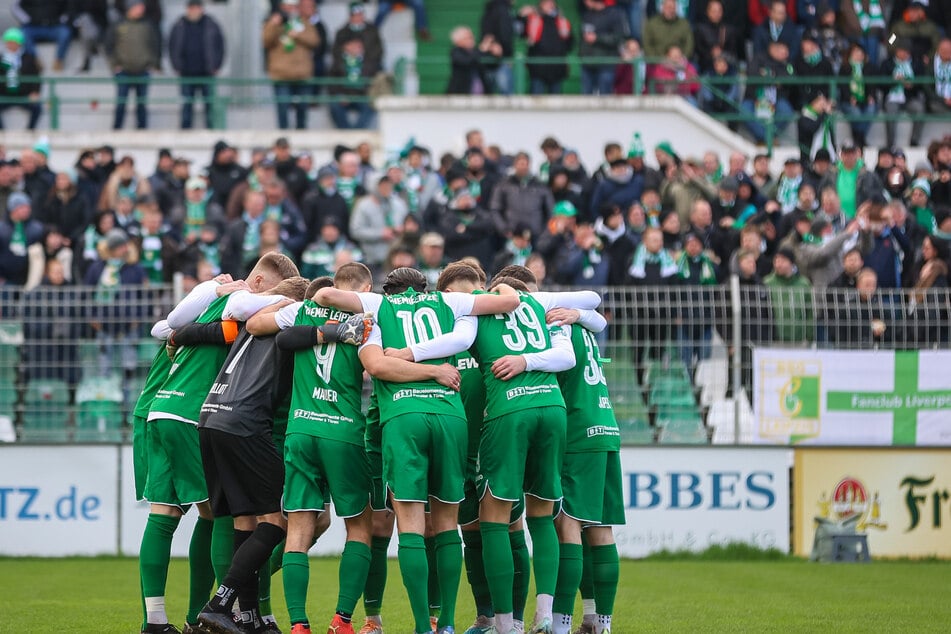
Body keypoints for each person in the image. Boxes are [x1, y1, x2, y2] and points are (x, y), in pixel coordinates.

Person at [313, 266, 520, 634]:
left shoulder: (378, 306)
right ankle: (449, 624)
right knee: (445, 527)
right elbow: (512, 300)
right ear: (424, 288)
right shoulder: (449, 301)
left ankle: (423, 627)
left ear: (389, 291)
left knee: (409, 528)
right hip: (450, 417)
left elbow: (367, 354)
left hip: (404, 417)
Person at [138, 254, 300, 633]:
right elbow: (225, 331)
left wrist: (183, 325)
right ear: (261, 283)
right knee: (229, 517)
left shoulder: (208, 299)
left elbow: (166, 328)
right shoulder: (242, 303)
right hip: (198, 413)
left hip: (161, 408)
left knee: (165, 515)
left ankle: (155, 620)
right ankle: (208, 614)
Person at [168, 0, 226, 130]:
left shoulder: (211, 24)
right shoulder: (179, 25)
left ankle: (211, 129)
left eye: (197, 8)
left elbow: (220, 46)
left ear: (201, 9)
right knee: (187, 104)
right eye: (192, 8)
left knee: (209, 104)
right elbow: (172, 46)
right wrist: (176, 65)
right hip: (186, 72)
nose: (194, 11)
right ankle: (185, 130)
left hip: (207, 72)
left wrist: (217, 65)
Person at [263, 0, 319, 130]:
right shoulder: (275, 23)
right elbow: (266, 41)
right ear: (281, 7)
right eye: (287, 7)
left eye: (293, 6)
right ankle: (283, 134)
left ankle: (301, 134)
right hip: (281, 73)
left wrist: (298, 35)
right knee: (283, 108)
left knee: (302, 108)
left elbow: (315, 41)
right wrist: (273, 24)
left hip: (302, 73)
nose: (290, 10)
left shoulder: (304, 23)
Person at [105, 0, 161, 130]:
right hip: (123, 71)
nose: (142, 9)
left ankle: (142, 129)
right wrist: (114, 65)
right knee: (121, 102)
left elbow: (155, 44)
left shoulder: (148, 25)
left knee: (141, 103)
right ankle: (116, 129)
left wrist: (153, 63)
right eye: (138, 6)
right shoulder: (118, 25)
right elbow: (109, 46)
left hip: (143, 70)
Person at [879, 38, 927, 148]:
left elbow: (922, 85)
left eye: (906, 51)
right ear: (896, 51)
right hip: (892, 98)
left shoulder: (917, 63)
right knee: (891, 112)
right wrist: (893, 82)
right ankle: (891, 144)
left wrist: (911, 85)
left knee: (920, 109)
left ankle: (914, 141)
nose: (904, 53)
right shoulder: (887, 63)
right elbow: (880, 85)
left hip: (909, 97)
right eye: (901, 50)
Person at [578, 0, 629, 95]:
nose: (585, 2)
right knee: (585, 99)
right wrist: (582, 55)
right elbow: (583, 39)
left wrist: (597, 38)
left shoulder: (614, 15)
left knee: (605, 98)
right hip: (588, 63)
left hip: (606, 63)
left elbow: (618, 38)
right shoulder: (587, 15)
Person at [524, 0, 573, 95]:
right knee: (536, 100)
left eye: (551, 2)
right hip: (538, 68)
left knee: (556, 102)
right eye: (546, 2)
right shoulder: (532, 19)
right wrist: (521, 16)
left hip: (557, 67)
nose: (549, 5)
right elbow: (524, 36)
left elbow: (569, 43)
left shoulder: (562, 21)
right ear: (541, 4)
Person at [328, 35, 377, 129]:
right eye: (354, 45)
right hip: (343, 95)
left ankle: (357, 131)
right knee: (335, 104)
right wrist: (341, 95)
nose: (357, 48)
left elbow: (373, 81)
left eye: (359, 45)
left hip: (362, 95)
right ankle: (346, 132)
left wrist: (362, 94)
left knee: (370, 105)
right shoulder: (338, 62)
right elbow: (331, 82)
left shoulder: (368, 62)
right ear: (346, 47)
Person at [0, 27, 42, 130]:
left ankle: (30, 131)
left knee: (37, 108)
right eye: (8, 42)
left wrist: (35, 92)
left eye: (13, 42)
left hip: (24, 95)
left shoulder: (29, 58)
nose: (10, 45)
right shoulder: (1, 58)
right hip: (5, 95)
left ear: (19, 43)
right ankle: (2, 134)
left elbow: (36, 76)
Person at [13, 0, 72, 72]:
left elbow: (68, 8)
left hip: (54, 27)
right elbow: (15, 7)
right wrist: (27, 20)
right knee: (23, 33)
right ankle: (34, 60)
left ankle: (59, 60)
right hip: (33, 27)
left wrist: (59, 20)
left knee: (65, 32)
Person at [446, 26, 494, 95]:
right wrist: (482, 49)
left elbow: (489, 63)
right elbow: (467, 61)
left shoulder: (475, 52)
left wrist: (493, 50)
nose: (472, 39)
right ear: (459, 41)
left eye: (471, 37)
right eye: (468, 37)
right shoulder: (456, 52)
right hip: (462, 93)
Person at [926, 38, 951, 114]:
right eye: (944, 51)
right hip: (937, 101)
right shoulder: (930, 64)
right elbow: (927, 88)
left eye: (949, 51)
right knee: (934, 105)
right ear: (938, 50)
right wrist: (943, 99)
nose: (947, 53)